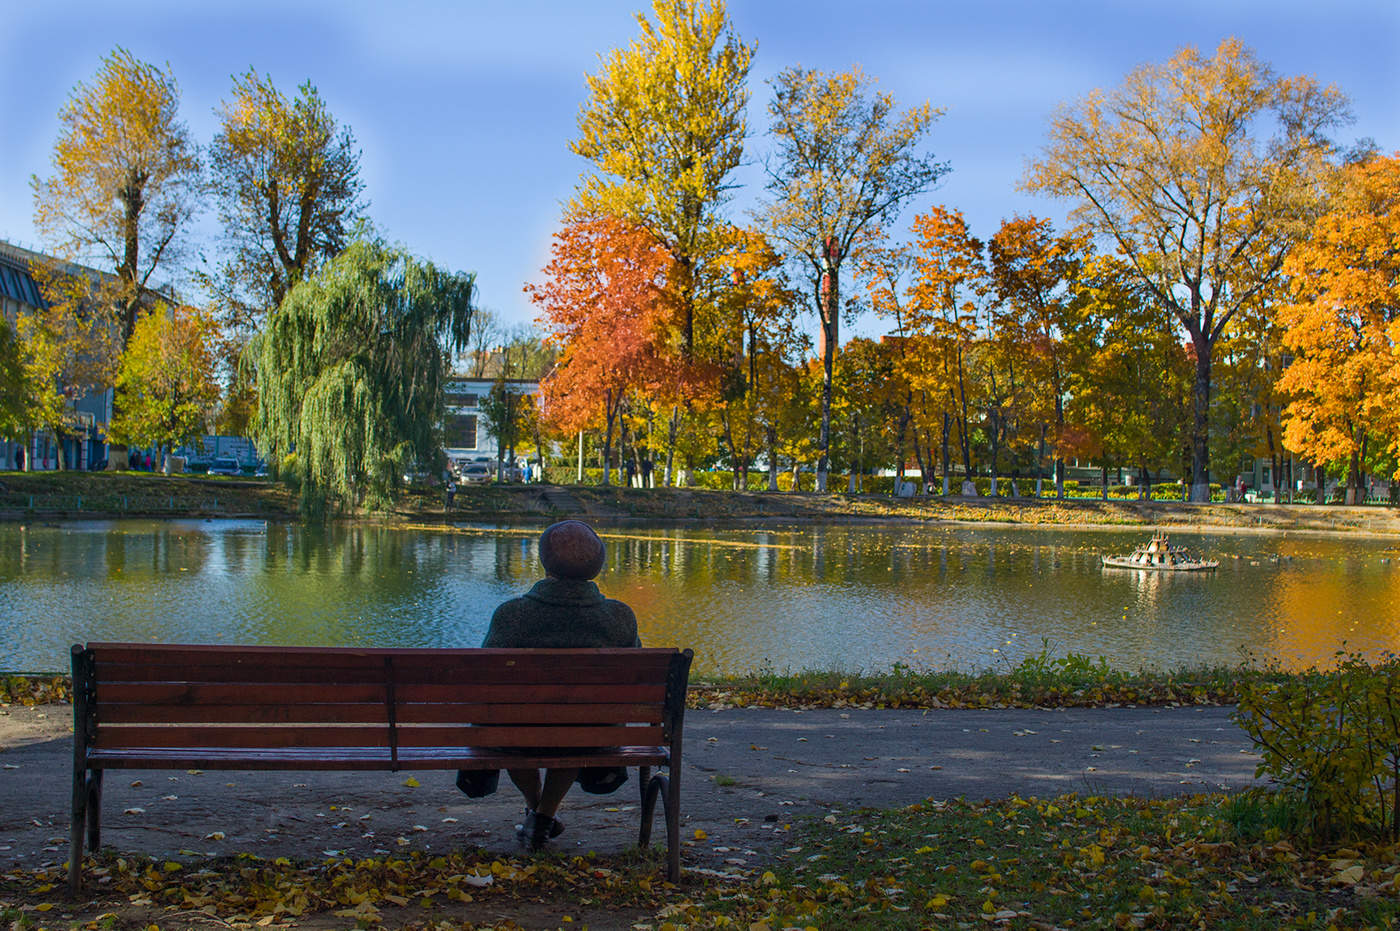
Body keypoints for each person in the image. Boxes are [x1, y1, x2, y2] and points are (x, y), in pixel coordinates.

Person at [456, 519, 640, 850]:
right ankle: (541, 817)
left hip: (515, 734)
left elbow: (482, 682)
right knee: (574, 728)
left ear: (545, 562)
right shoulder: (619, 617)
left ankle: (536, 807)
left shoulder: (512, 615)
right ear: (596, 566)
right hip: (592, 734)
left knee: (509, 723)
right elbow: (636, 681)